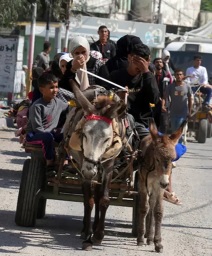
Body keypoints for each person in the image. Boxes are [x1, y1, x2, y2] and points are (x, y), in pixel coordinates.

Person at [25, 71, 69, 178]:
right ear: (41, 90)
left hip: (50, 133)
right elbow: (38, 128)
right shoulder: (37, 106)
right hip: (34, 134)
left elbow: (70, 107)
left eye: (56, 87)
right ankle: (50, 162)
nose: (55, 90)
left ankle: (66, 162)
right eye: (51, 88)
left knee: (68, 136)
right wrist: (53, 136)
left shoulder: (58, 103)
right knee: (48, 137)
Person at [163, 68, 193, 144]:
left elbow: (190, 99)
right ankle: (175, 147)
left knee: (179, 131)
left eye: (180, 74)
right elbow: (164, 97)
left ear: (183, 76)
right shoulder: (170, 87)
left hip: (183, 113)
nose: (179, 76)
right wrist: (163, 106)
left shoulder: (187, 87)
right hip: (173, 113)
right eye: (177, 74)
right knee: (174, 131)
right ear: (175, 76)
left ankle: (179, 147)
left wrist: (189, 112)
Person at [153, 57, 172, 133]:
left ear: (163, 64)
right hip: (153, 102)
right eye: (157, 62)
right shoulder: (151, 74)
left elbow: (171, 84)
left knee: (164, 122)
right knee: (153, 120)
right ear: (154, 64)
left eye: (160, 62)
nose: (159, 63)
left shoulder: (166, 75)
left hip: (164, 102)